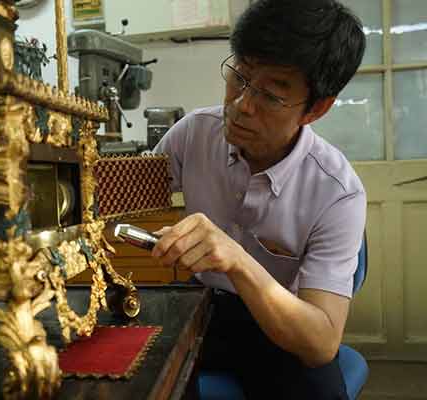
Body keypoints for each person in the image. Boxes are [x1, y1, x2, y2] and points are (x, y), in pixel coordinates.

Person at [151, 0, 367, 399]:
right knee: (149, 377)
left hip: (278, 319)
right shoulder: (192, 134)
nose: (240, 106)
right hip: (199, 308)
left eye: (270, 96)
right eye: (239, 76)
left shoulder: (338, 192)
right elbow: (122, 202)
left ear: (316, 109)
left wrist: (235, 260)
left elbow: (321, 342)